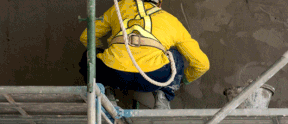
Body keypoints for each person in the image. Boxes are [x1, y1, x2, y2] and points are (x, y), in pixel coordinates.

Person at [79, 0, 209, 109]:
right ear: (159, 4)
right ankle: (163, 96)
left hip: (114, 75)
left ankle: (105, 92)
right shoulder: (171, 20)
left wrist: (107, 54)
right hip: (154, 78)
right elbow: (202, 64)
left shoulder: (120, 7)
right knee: (175, 55)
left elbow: (87, 36)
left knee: (90, 55)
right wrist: (181, 80)